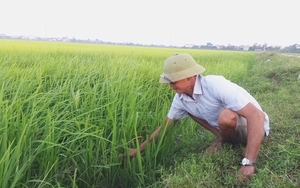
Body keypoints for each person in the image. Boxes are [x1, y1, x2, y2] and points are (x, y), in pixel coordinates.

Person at [127, 53, 270, 181]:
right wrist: (137, 151)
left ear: (189, 77)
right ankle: (222, 139)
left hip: (254, 128)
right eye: (169, 81)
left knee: (225, 116)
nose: (170, 85)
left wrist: (249, 163)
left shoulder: (215, 84)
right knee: (188, 109)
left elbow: (257, 116)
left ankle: (227, 143)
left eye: (173, 80)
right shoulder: (180, 99)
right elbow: (165, 128)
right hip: (230, 130)